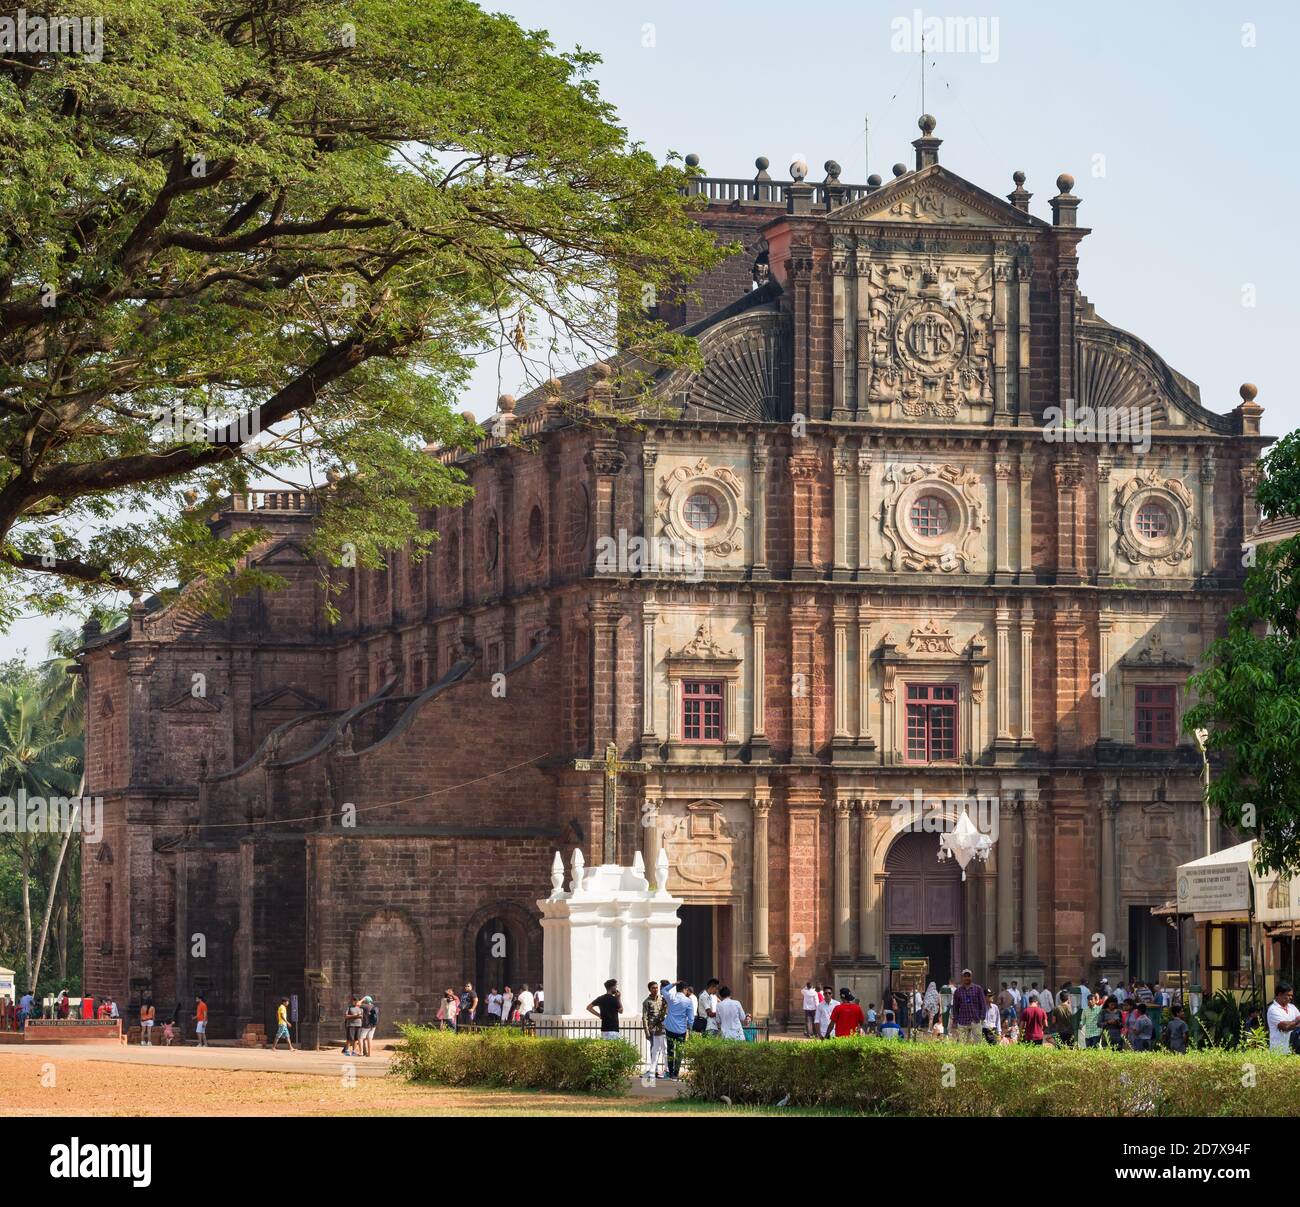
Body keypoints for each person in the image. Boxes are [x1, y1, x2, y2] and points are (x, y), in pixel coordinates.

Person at [663, 980, 696, 1077]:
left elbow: (664, 990)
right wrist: (690, 1030)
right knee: (679, 1051)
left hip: (669, 1028)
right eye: (686, 990)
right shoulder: (688, 1001)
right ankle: (676, 1072)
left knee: (670, 1050)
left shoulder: (671, 997)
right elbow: (691, 1019)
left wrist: (673, 984)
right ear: (685, 989)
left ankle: (671, 1072)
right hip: (681, 1029)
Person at [951, 969, 985, 1044]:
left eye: (968, 976)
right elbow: (955, 1007)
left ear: (971, 977)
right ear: (962, 978)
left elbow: (982, 1003)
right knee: (962, 1044)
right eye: (965, 976)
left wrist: (982, 1017)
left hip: (975, 1019)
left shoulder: (978, 989)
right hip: (962, 1021)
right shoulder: (958, 991)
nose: (967, 978)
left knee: (978, 1043)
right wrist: (956, 1020)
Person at [641, 980, 668, 1077]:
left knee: (663, 1049)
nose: (655, 989)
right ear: (649, 989)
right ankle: (655, 1070)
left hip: (662, 1028)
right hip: (652, 1029)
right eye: (653, 988)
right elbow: (644, 1017)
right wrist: (646, 1031)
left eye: (656, 987)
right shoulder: (646, 1002)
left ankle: (664, 1070)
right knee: (654, 1049)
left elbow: (666, 1012)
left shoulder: (663, 1000)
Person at [1267, 981, 1300, 1053]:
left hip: (1292, 1049)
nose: (1290, 998)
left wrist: (1292, 1023)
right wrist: (1296, 1021)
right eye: (1288, 995)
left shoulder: (1292, 1007)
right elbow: (1284, 1027)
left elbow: (1290, 1025)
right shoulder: (1273, 1009)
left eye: (1291, 995)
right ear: (1280, 994)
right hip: (1278, 1051)